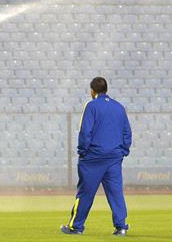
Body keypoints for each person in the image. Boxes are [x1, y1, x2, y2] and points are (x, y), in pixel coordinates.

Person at [60, 77, 131, 236]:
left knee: (85, 193)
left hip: (93, 158)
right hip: (113, 158)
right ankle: (121, 227)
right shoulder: (119, 107)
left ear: (92, 91)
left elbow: (85, 131)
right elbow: (127, 132)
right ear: (106, 89)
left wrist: (82, 151)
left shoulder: (91, 106)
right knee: (116, 194)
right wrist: (123, 151)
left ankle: (76, 227)